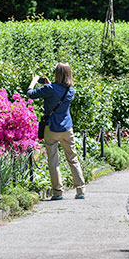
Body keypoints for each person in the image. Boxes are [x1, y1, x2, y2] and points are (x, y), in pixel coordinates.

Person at [27, 62, 86, 200]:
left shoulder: (50, 88)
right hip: (67, 128)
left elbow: (30, 94)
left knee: (53, 159)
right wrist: (47, 85)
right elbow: (57, 95)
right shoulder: (71, 91)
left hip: (52, 128)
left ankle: (58, 192)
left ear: (56, 74)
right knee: (73, 158)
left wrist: (34, 81)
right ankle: (80, 190)